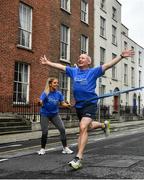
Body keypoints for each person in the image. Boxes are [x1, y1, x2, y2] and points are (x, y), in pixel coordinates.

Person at [40, 50, 134, 169]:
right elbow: (61, 66)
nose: (80, 59)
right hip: (79, 105)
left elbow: (108, 65)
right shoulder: (74, 71)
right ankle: (103, 125)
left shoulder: (93, 72)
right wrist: (48, 62)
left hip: (90, 104)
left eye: (83, 58)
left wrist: (120, 56)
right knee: (87, 127)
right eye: (79, 57)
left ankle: (78, 158)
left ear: (88, 62)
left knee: (83, 127)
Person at [37, 77, 73, 155]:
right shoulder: (45, 93)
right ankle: (42, 149)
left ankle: (65, 148)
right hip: (45, 114)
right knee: (45, 132)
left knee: (62, 129)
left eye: (57, 83)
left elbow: (62, 103)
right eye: (55, 83)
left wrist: (67, 105)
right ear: (50, 84)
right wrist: (40, 102)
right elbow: (41, 101)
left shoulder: (58, 93)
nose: (57, 84)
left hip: (55, 114)